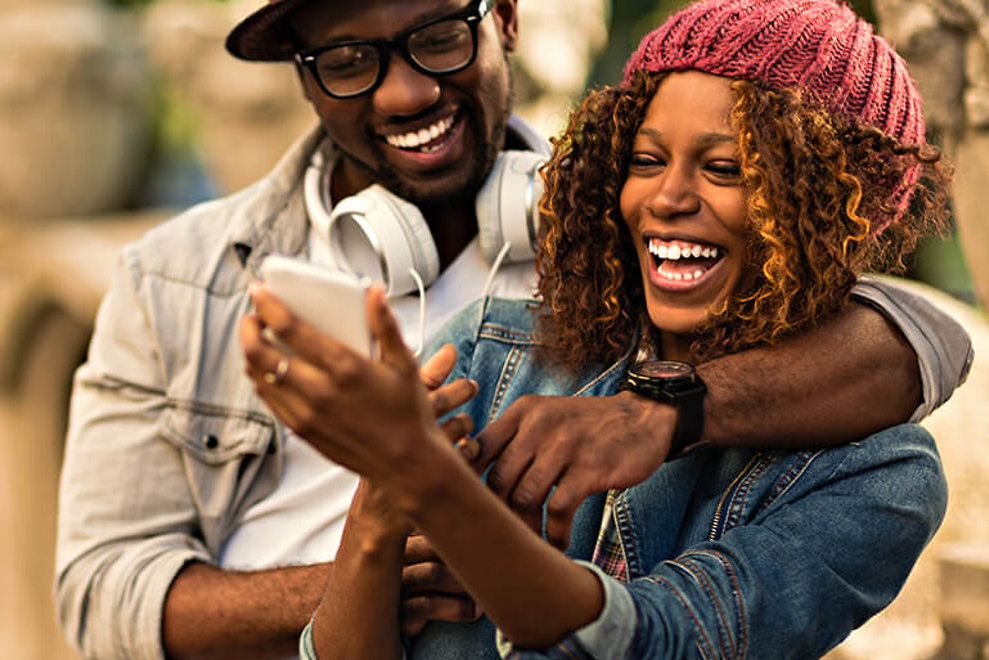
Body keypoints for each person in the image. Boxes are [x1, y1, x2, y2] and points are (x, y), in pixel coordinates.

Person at [55, 0, 970, 658]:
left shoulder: (876, 473)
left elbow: (930, 338)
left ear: (507, 22)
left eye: (437, 37)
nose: (403, 93)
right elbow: (102, 596)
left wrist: (663, 410)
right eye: (345, 59)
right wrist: (384, 531)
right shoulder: (491, 339)